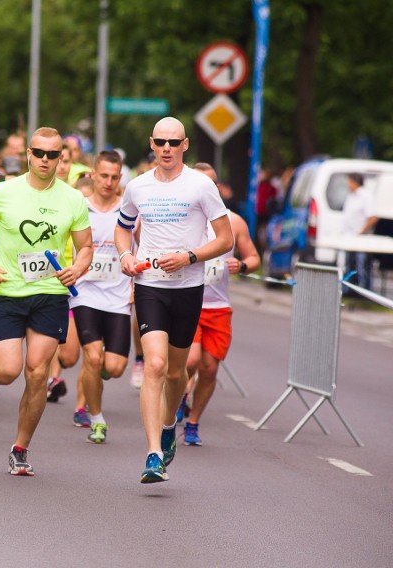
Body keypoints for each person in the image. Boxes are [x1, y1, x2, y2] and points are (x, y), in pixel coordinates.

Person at [114, 117, 233, 484]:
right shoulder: (137, 187)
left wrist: (190, 257)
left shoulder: (201, 185)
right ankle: (153, 454)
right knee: (154, 365)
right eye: (161, 142)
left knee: (176, 372)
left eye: (174, 142)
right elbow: (122, 228)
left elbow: (225, 239)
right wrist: (125, 257)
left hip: (188, 286)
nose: (166, 148)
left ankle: (170, 424)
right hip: (149, 284)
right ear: (151, 143)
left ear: (185, 145)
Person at [0, 127, 92, 476]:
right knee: (9, 372)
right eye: (39, 153)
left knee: (38, 374)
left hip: (49, 294)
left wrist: (78, 269)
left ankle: (21, 447)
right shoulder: (4, 192)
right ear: (28, 153)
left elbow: (86, 246)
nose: (45, 160)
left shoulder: (72, 198)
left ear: (62, 159)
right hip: (7, 292)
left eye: (53, 155)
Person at [180, 163, 260, 446]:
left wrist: (243, 265)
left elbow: (253, 257)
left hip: (218, 307)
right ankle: (180, 393)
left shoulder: (234, 222)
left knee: (210, 368)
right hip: (189, 301)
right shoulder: (183, 217)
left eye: (211, 183)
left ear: (217, 188)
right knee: (190, 360)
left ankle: (193, 422)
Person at [71, 150, 131, 444]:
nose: (108, 182)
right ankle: (96, 419)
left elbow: (141, 248)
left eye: (114, 177)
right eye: (103, 176)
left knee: (115, 368)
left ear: (120, 178)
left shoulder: (129, 211)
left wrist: (137, 283)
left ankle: (96, 378)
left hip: (118, 298)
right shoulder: (79, 208)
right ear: (93, 175)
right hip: (85, 295)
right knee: (92, 357)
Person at [341, 172, 377, 290]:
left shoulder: (366, 196)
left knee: (361, 266)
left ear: (354, 182)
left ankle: (364, 290)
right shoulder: (351, 196)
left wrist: (361, 232)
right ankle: (350, 289)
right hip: (350, 238)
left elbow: (372, 218)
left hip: (361, 238)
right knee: (350, 265)